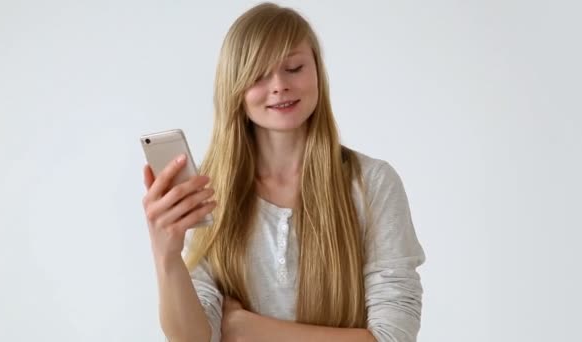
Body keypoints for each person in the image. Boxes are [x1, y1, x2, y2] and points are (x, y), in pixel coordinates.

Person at [142, 2, 425, 342]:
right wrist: (167, 255)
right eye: (259, 74)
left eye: (293, 67)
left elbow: (394, 337)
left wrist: (247, 329)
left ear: (317, 71)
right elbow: (193, 339)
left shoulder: (371, 183)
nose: (279, 85)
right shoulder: (207, 194)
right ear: (235, 87)